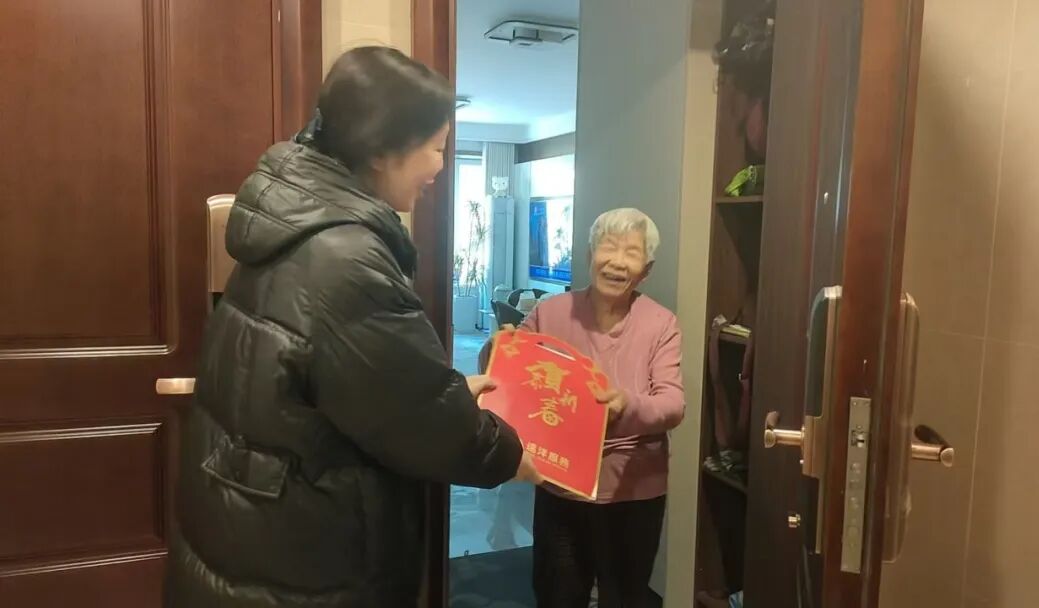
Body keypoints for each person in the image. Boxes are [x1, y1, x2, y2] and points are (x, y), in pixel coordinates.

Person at [164, 46, 540, 608]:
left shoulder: (298, 217)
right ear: (384, 150)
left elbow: (349, 383)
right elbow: (421, 421)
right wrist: (508, 455)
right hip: (303, 556)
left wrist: (447, 393)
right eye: (436, 148)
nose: (440, 167)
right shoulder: (345, 259)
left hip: (256, 523)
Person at [520, 208, 685, 608]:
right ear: (589, 254)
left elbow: (672, 403)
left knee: (626, 597)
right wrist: (496, 349)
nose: (617, 261)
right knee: (557, 595)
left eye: (631, 252)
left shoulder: (661, 323)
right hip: (561, 483)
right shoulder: (550, 312)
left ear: (646, 270)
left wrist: (627, 404)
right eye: (608, 247)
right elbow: (513, 368)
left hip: (633, 489)